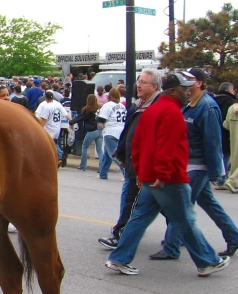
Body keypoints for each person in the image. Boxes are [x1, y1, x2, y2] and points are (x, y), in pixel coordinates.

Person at [105, 72, 230, 277]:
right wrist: (162, 173)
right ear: (173, 90)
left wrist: (139, 172)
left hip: (151, 175)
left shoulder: (152, 110)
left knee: (140, 218)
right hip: (168, 178)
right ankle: (207, 261)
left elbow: (137, 143)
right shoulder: (172, 112)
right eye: (184, 88)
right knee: (185, 219)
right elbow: (167, 147)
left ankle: (119, 258)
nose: (188, 92)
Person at [151, 67, 238, 260]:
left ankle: (172, 247)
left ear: (199, 83)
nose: (186, 85)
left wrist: (217, 172)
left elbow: (213, 141)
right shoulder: (188, 105)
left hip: (199, 166)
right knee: (209, 204)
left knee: (179, 205)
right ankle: (234, 236)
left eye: (190, 80)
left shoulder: (207, 106)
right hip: (187, 163)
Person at [98, 69, 161, 249]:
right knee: (138, 201)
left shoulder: (157, 107)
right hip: (134, 161)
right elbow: (129, 133)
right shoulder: (137, 105)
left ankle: (120, 237)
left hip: (147, 165)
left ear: (155, 86)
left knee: (146, 203)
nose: (138, 85)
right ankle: (121, 235)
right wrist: (122, 154)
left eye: (143, 82)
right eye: (138, 81)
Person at [35, 90, 72, 166]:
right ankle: (58, 157)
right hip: (57, 128)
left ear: (45, 97)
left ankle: (59, 157)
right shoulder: (57, 104)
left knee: (48, 144)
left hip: (49, 128)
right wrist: (72, 121)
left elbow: (44, 120)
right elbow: (66, 114)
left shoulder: (46, 107)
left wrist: (39, 128)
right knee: (53, 143)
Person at [97, 88, 127, 179]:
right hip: (121, 131)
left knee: (113, 155)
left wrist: (100, 125)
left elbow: (101, 119)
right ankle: (103, 173)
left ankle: (126, 172)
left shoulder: (108, 105)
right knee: (107, 154)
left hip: (110, 132)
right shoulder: (122, 106)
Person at [70, 94, 103, 171]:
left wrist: (71, 122)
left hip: (91, 130)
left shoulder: (87, 109)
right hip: (99, 130)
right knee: (99, 150)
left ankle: (83, 165)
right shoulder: (100, 108)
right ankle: (102, 167)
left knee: (84, 147)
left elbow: (80, 117)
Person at [212, 82, 236, 189]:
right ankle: (225, 179)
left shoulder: (213, 100)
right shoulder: (231, 102)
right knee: (227, 155)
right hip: (228, 134)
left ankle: (218, 177)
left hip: (214, 131)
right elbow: (226, 124)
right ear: (229, 91)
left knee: (220, 154)